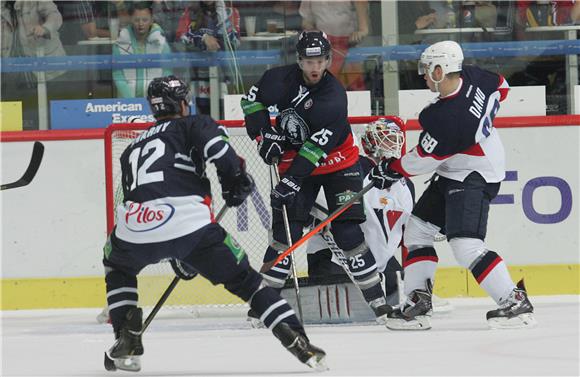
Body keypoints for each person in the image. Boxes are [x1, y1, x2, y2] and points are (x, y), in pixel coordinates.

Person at [102, 75, 327, 372]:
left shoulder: (131, 148)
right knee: (247, 282)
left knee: (116, 266)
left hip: (135, 228)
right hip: (189, 225)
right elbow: (220, 153)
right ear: (184, 103)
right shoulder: (194, 123)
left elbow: (150, 198)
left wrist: (176, 252)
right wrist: (234, 181)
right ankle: (296, 338)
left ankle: (125, 336)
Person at [368, 40, 536, 330]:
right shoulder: (475, 77)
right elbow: (503, 86)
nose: (422, 75)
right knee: (418, 230)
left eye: (426, 69)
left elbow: (423, 159)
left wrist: (391, 169)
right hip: (461, 167)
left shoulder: (444, 116)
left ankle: (513, 301)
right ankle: (417, 302)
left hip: (474, 174)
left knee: (465, 244)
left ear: (440, 69)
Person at [241, 31, 392, 325]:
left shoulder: (333, 97)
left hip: (338, 163)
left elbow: (315, 148)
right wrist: (263, 135)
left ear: (328, 60)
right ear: (299, 60)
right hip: (296, 160)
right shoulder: (277, 79)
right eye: (309, 60)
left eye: (320, 60)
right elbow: (251, 102)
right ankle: (264, 302)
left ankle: (378, 301)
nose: (314, 67)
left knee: (348, 234)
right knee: (286, 236)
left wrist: (291, 181)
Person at [304, 117, 413, 308]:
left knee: (399, 296)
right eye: (386, 138)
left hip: (378, 259)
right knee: (336, 302)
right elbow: (317, 203)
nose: (392, 144)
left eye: (394, 139)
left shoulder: (404, 183)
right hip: (333, 255)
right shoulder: (352, 166)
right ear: (370, 142)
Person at [177, 0, 241, 115]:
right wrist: (203, 38)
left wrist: (222, 15)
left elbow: (235, 40)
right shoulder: (190, 11)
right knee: (198, 116)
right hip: (196, 75)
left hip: (222, 75)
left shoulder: (230, 11)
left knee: (222, 115)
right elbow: (182, 36)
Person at [299, 1, 369, 91]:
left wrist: (359, 34)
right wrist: (313, 32)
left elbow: (363, 29)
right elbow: (306, 21)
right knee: (323, 88)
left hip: (349, 46)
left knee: (352, 88)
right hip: (321, 48)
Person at [112, 1, 172, 98]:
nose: (140, 24)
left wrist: (156, 95)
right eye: (136, 20)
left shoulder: (161, 42)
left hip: (155, 98)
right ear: (131, 19)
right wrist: (130, 101)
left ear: (152, 20)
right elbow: (118, 75)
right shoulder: (120, 43)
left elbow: (167, 72)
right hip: (127, 101)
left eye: (145, 20)